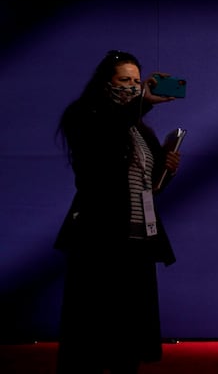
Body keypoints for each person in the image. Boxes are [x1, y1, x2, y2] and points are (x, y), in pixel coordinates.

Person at [54, 50, 183, 374]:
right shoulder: (84, 116)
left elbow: (147, 187)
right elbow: (103, 149)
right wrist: (144, 102)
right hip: (98, 238)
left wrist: (166, 170)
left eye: (137, 82)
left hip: (138, 240)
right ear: (105, 82)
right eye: (124, 80)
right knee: (93, 331)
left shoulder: (141, 131)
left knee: (130, 334)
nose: (132, 87)